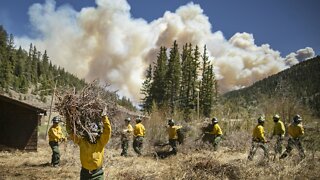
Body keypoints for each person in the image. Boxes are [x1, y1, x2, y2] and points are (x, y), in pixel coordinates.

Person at [67, 114, 111, 180]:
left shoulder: (101, 142)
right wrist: (68, 118)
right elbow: (71, 133)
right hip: (85, 173)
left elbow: (107, 131)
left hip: (98, 173)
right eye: (91, 133)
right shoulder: (82, 141)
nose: (93, 136)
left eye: (95, 133)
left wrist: (104, 117)